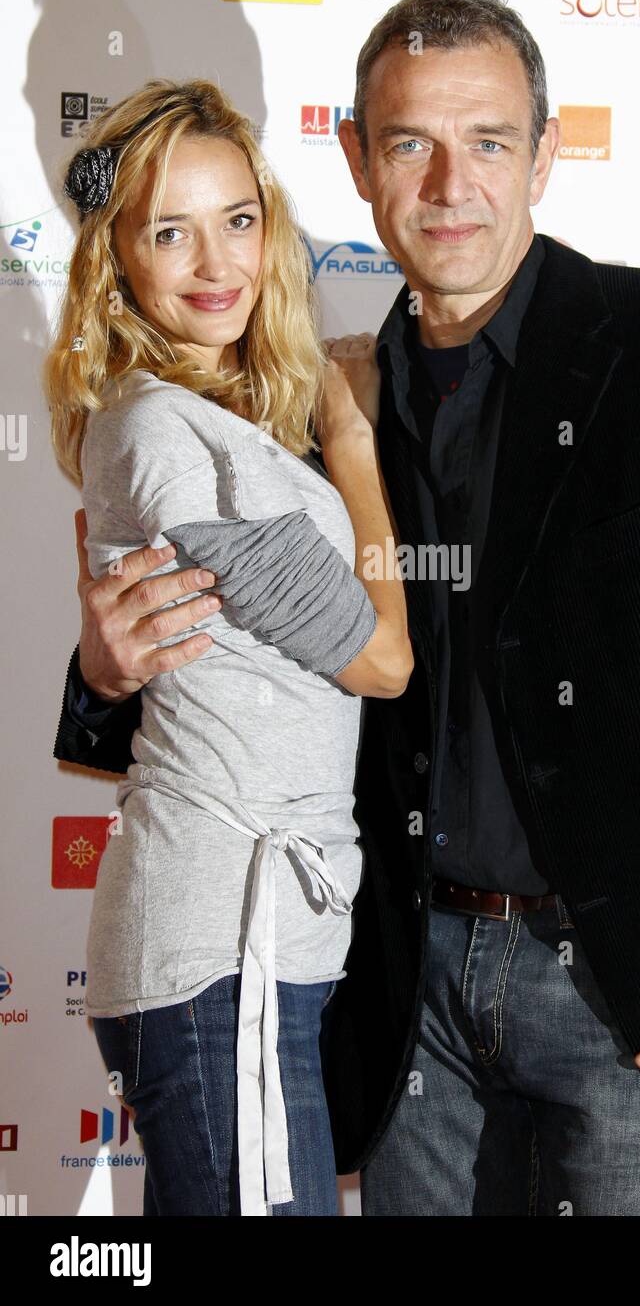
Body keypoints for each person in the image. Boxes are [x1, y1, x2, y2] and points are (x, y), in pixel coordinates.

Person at [54, 0, 640, 1217]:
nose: (450, 183)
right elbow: (240, 669)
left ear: (546, 153)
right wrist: (98, 679)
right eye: (411, 142)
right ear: (358, 161)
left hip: (639, 995)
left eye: (488, 141)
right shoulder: (326, 403)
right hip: (404, 998)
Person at [45, 77, 412, 1216]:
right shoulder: (173, 433)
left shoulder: (231, 422)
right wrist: (353, 442)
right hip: (225, 946)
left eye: (238, 219)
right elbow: (382, 660)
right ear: (118, 259)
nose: (216, 262)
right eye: (170, 230)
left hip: (266, 948)